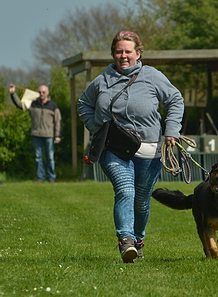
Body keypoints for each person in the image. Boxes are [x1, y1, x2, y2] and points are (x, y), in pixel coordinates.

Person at [77, 31, 185, 263]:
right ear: (113, 53)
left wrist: (171, 131)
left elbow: (175, 99)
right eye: (119, 51)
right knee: (125, 190)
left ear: (138, 53)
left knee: (141, 200)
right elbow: (84, 103)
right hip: (112, 148)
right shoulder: (102, 80)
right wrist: (97, 127)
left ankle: (138, 240)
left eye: (128, 51)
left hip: (149, 150)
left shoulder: (152, 76)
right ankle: (125, 240)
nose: (123, 56)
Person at [9, 84, 62, 183]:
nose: (41, 94)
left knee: (50, 158)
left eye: (43, 92)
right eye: (39, 92)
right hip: (36, 135)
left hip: (49, 135)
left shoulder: (53, 105)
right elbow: (19, 105)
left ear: (47, 93)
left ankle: (51, 178)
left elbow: (58, 121)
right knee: (38, 157)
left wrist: (58, 135)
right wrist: (13, 94)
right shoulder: (32, 104)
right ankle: (40, 177)